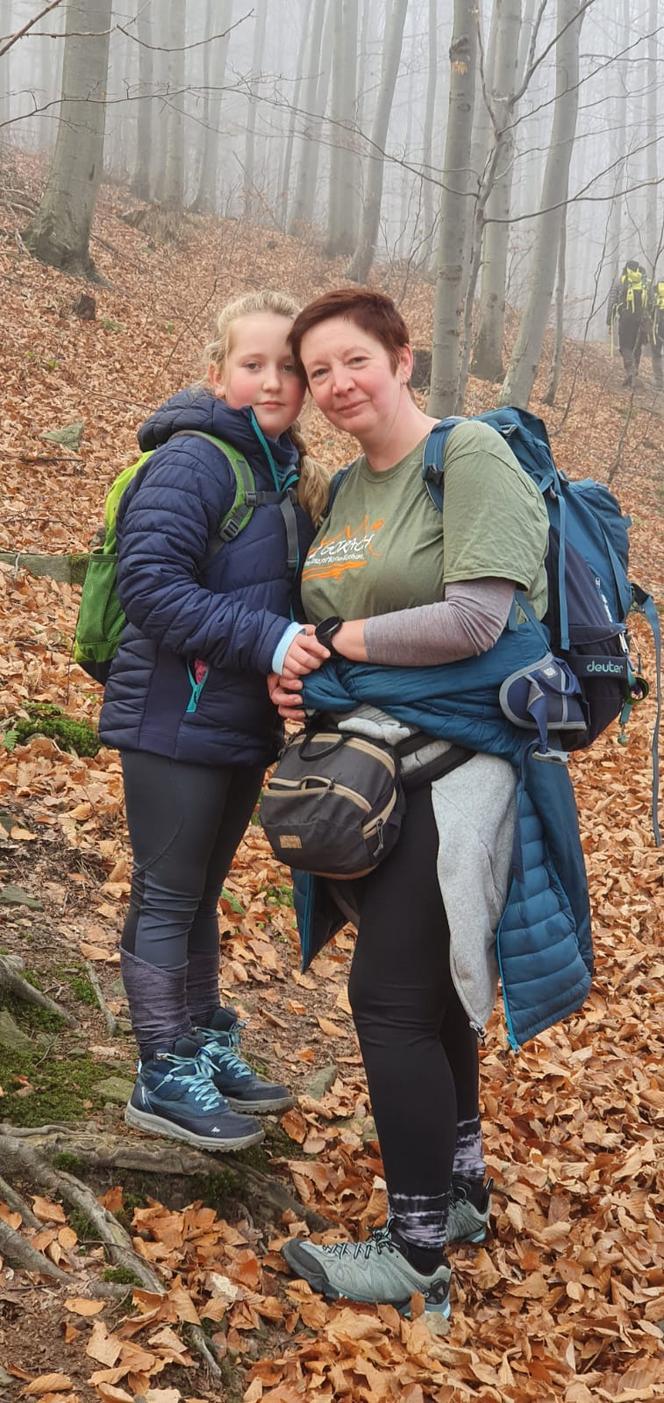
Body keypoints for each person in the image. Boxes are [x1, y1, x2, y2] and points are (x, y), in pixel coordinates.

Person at [268, 287, 576, 1317]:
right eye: (318, 372)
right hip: (373, 773)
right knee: (433, 995)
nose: (336, 383)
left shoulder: (469, 454)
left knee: (389, 1002)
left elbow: (477, 618)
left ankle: (411, 1252)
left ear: (402, 358)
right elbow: (323, 614)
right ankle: (462, 1190)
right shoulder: (347, 489)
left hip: (459, 775)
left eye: (354, 359)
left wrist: (341, 651)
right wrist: (298, 674)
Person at [99, 290, 330, 1152]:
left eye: (287, 369)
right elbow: (151, 589)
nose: (272, 381)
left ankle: (196, 1037)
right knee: (168, 891)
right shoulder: (196, 460)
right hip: (173, 719)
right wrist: (272, 640)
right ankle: (162, 1072)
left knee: (198, 891)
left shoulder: (281, 471)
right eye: (252, 363)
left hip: (234, 722)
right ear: (217, 372)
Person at [608, 259, 649, 386]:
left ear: (625, 268)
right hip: (641, 319)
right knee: (637, 346)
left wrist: (609, 320)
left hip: (626, 320)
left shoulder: (620, 281)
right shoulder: (645, 282)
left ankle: (631, 371)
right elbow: (651, 302)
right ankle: (634, 370)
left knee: (625, 346)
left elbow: (612, 300)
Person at [649, 276, 664, 388]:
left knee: (656, 352)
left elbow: (649, 306)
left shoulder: (655, 291)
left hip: (658, 325)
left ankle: (659, 381)